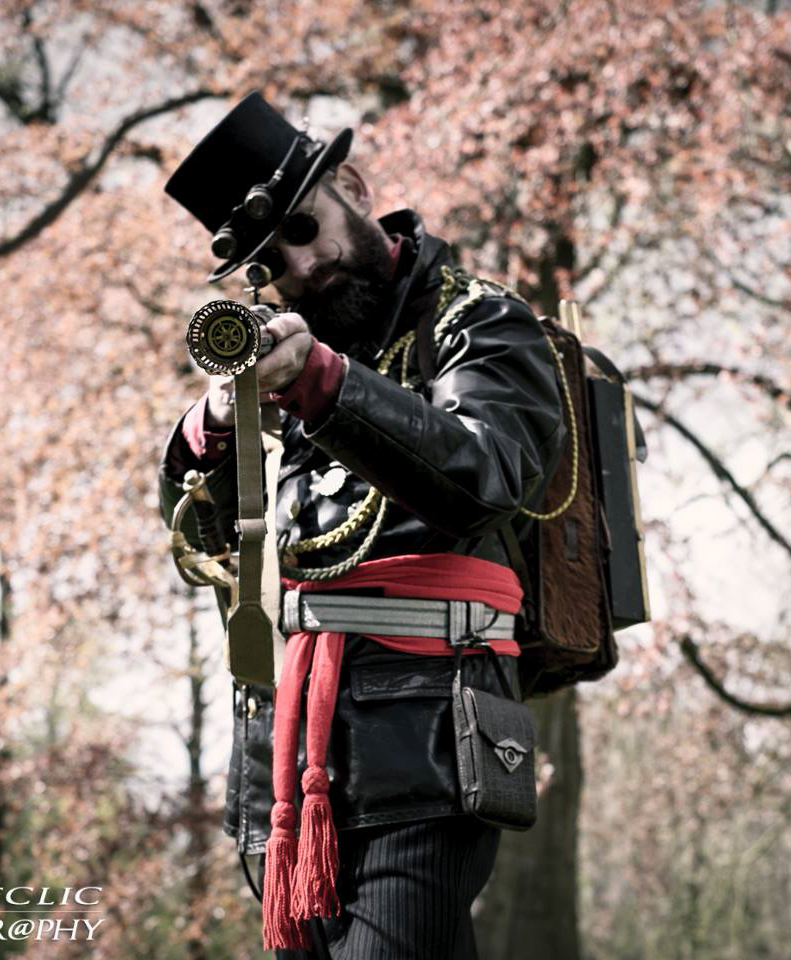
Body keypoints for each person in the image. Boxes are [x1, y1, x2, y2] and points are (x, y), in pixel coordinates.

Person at [156, 92, 566, 959]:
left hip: (432, 744)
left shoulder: (478, 321)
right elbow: (212, 549)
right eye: (270, 266)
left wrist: (324, 383)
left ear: (350, 182)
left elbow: (485, 477)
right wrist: (213, 431)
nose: (300, 270)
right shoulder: (287, 367)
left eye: (304, 232)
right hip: (284, 762)